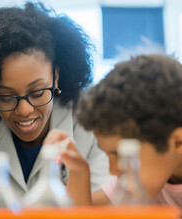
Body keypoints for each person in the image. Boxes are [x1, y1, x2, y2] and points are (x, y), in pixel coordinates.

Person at [0, 2, 111, 201]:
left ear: (55, 76)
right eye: (6, 97)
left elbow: (100, 209)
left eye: (37, 93)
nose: (24, 110)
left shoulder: (92, 128)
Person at [51, 54, 182, 208]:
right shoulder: (143, 176)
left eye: (122, 155)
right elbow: (84, 217)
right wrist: (78, 171)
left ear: (177, 142)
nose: (113, 170)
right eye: (109, 155)